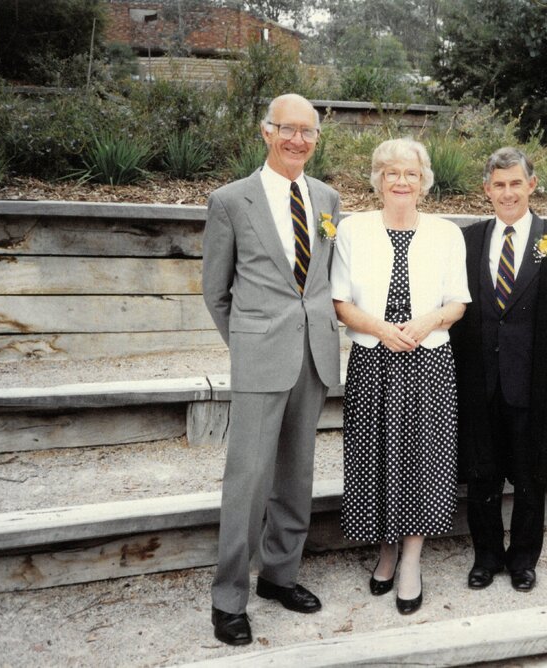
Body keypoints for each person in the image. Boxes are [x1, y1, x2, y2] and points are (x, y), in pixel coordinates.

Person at [201, 94, 341, 645]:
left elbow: (324, 279)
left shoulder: (328, 199)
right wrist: (249, 343)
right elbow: (216, 292)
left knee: (296, 474)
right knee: (248, 480)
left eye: (308, 132)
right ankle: (228, 597)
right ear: (266, 132)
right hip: (261, 355)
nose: (298, 141)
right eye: (288, 129)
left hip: (314, 354)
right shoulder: (231, 201)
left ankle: (280, 576)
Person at [331, 138, 470, 615]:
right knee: (375, 454)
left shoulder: (446, 233)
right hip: (373, 357)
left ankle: (410, 557)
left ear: (424, 180)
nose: (401, 182)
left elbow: (458, 302)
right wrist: (380, 329)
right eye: (392, 173)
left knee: (422, 459)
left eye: (410, 173)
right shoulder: (354, 230)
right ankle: (384, 549)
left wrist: (426, 322)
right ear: (378, 179)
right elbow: (340, 301)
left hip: (427, 358)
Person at [450, 147, 547, 593]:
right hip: (481, 378)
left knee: (531, 473)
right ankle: (486, 555)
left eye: (516, 183)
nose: (507, 192)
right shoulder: (468, 241)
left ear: (532, 184)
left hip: (535, 379)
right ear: (486, 189)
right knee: (482, 471)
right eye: (498, 184)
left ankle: (524, 558)